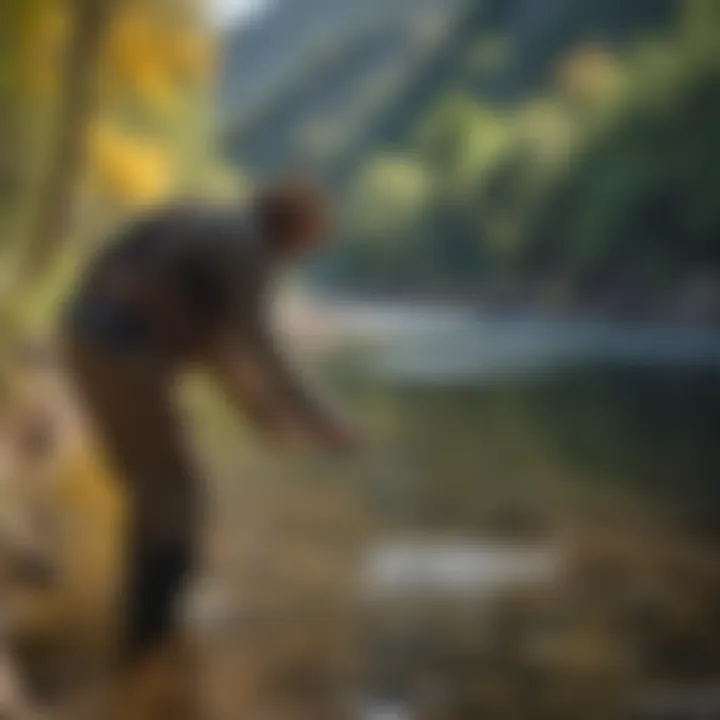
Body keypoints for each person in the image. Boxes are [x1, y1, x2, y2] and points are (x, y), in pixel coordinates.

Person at [60, 180, 357, 672]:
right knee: (174, 491)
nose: (316, 245)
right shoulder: (247, 248)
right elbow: (259, 344)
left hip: (87, 342)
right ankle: (149, 634)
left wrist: (264, 418)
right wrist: (323, 421)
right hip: (120, 351)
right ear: (295, 223)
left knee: (160, 491)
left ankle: (148, 632)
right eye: (316, 233)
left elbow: (218, 347)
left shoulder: (217, 230)